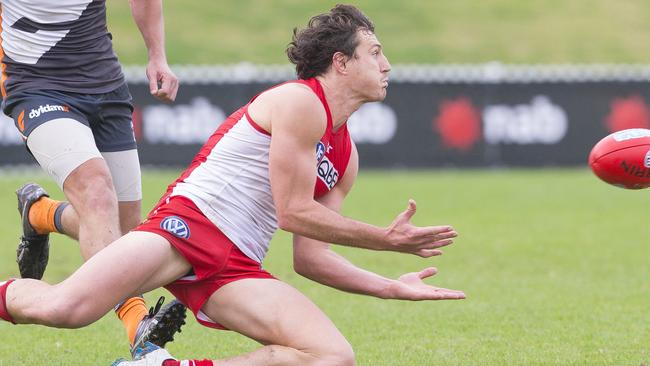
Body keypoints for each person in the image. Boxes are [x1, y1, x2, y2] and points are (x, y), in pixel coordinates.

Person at [0, 4, 466, 365]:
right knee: (69, 309)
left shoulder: (346, 155)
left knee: (331, 355)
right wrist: (385, 240)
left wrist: (389, 286)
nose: (388, 65)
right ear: (340, 63)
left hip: (234, 265)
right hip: (185, 231)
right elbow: (292, 212)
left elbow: (310, 258)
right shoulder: (299, 103)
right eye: (376, 53)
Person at [0, 0, 185, 356]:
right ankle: (139, 328)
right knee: (97, 192)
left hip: (105, 84)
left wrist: (157, 56)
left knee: (127, 234)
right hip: (36, 87)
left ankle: (41, 214)